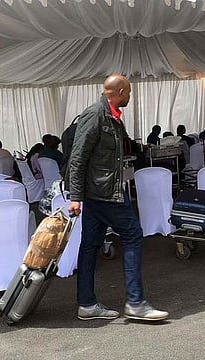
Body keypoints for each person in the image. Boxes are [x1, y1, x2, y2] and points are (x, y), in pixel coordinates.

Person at [68, 74, 168, 322]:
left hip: (99, 190)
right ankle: (135, 302)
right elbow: (78, 157)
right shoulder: (96, 115)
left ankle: (87, 304)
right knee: (133, 233)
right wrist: (75, 197)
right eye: (130, 92)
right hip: (103, 191)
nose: (131, 96)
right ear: (121, 92)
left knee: (90, 245)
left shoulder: (110, 115)